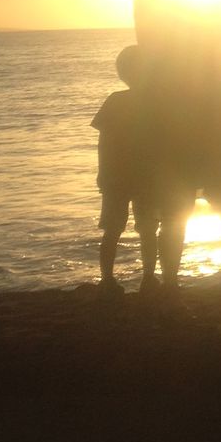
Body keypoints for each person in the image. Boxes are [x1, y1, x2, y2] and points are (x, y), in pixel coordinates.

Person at [132, 0, 221, 302]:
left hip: (187, 129)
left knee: (181, 213)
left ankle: (174, 283)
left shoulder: (165, 41)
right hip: (213, 128)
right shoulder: (209, 35)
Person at [92, 44, 159, 298]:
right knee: (148, 228)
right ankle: (148, 278)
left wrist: (103, 172)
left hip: (118, 176)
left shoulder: (115, 101)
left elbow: (104, 142)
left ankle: (108, 279)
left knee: (112, 229)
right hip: (145, 176)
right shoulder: (155, 102)